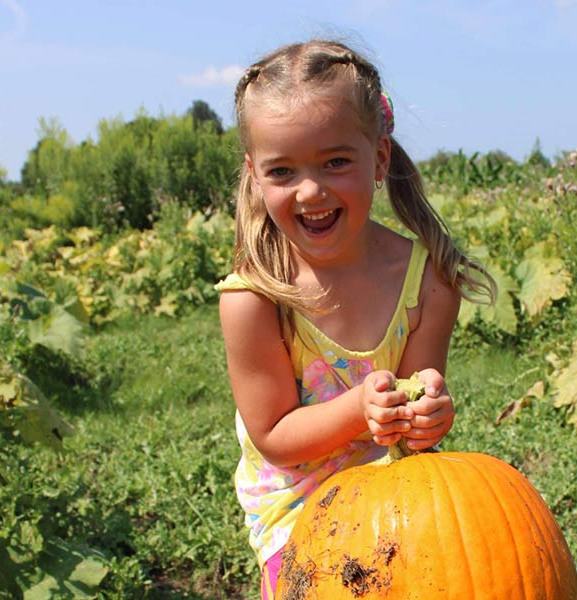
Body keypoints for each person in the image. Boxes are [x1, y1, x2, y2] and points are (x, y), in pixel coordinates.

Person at [216, 39, 495, 599]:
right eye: (283, 170)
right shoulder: (253, 297)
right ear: (254, 175)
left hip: (396, 490)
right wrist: (360, 407)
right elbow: (273, 435)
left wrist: (426, 412)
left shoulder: (430, 280)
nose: (311, 190)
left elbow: (414, 424)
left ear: (380, 158)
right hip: (297, 513)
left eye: (336, 161)